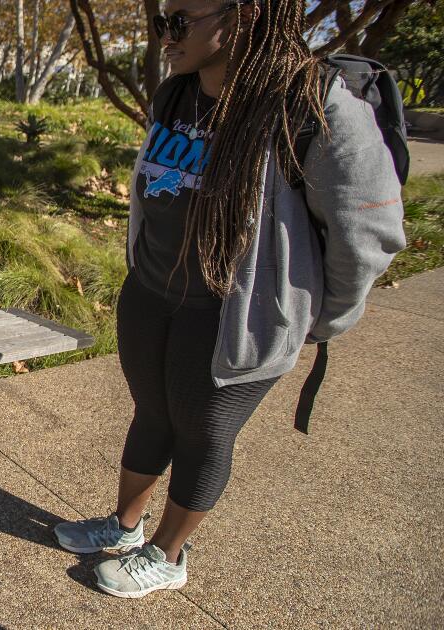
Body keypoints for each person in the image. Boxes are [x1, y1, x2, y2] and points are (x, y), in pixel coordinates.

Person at [52, 0, 405, 598]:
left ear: (244, 14)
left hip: (231, 312)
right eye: (161, 21)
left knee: (203, 433)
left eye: (180, 21)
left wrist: (317, 318)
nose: (165, 35)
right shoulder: (178, 92)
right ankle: (123, 528)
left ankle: (169, 553)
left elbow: (368, 229)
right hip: (152, 292)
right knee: (152, 413)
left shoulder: (311, 104)